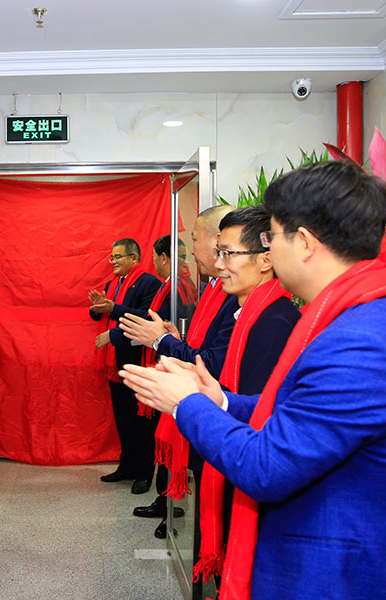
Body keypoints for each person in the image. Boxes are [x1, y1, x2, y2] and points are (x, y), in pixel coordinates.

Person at [121, 161, 386, 599]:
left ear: (303, 242)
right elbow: (299, 413)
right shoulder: (356, 317)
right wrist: (220, 400)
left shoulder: (361, 343)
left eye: (271, 236)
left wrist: (185, 403)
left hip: (337, 580)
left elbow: (266, 467)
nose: (267, 250)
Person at [185, 205, 299, 582]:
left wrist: (199, 401)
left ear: (266, 259)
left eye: (228, 254)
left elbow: (262, 419)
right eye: (218, 252)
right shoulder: (249, 312)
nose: (219, 265)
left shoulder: (276, 321)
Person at [120, 206, 235, 537]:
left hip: (213, 402)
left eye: (194, 239)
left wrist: (162, 341)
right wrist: (174, 338)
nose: (191, 250)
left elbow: (210, 361)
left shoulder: (231, 296)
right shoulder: (212, 288)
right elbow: (201, 344)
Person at [89, 237, 161, 494]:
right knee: (123, 418)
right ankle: (127, 466)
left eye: (118, 257)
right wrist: (98, 306)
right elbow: (99, 313)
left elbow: (146, 317)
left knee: (141, 420)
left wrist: (114, 308)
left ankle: (144, 472)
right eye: (112, 257)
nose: (113, 262)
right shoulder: (113, 283)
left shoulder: (149, 283)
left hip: (138, 361)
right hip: (115, 362)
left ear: (134, 258)